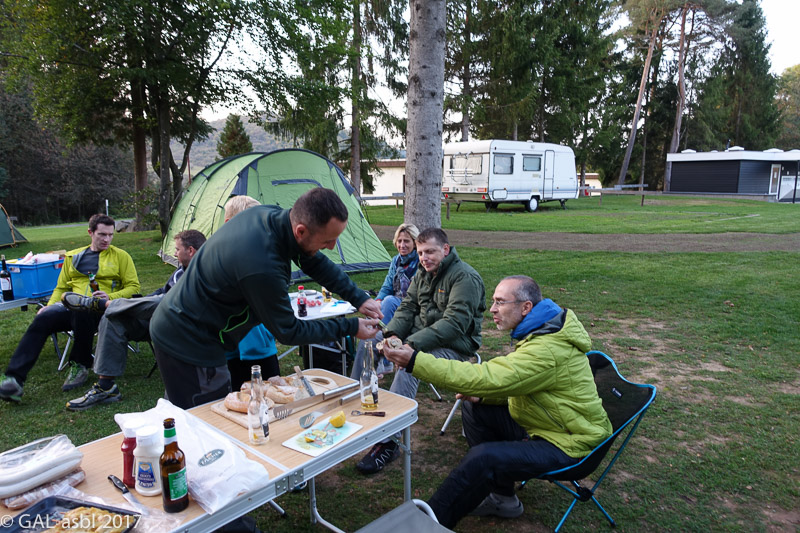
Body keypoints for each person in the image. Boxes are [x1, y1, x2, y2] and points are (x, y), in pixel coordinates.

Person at [381, 275, 613, 528]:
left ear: (526, 307)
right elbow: (529, 384)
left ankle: (424, 527)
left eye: (500, 302)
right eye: (493, 301)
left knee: (484, 458)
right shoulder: (543, 333)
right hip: (554, 425)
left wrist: (415, 361)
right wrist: (483, 397)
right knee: (475, 406)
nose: (492, 309)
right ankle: (503, 498)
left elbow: (484, 377)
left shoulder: (547, 349)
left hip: (572, 443)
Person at [149, 188, 382, 409]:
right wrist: (351, 327)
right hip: (189, 339)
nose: (331, 247)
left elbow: (313, 261)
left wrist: (358, 298)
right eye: (327, 241)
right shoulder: (262, 266)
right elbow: (289, 331)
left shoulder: (272, 217)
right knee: (206, 420)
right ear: (301, 231)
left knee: (186, 413)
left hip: (185, 324)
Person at [352, 227, 485, 474]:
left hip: (454, 345)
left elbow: (454, 325)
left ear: (446, 250)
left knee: (410, 363)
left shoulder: (465, 278)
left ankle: (389, 442)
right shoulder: (422, 274)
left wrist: (410, 344)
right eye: (421, 252)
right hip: (421, 338)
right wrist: (392, 335)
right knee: (370, 340)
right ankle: (353, 401)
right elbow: (407, 308)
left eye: (430, 252)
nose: (424, 258)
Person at [0, 214, 140, 402]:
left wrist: (110, 297)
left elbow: (133, 287)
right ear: (90, 232)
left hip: (103, 310)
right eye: (102, 234)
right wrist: (49, 306)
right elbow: (61, 287)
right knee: (43, 318)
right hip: (71, 308)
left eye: (110, 235)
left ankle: (80, 364)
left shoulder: (121, 257)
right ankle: (14, 379)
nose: (107, 239)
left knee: (83, 309)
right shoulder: (73, 257)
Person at [61, 229, 206, 410]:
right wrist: (138, 304)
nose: (174, 254)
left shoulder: (205, 271)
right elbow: (161, 291)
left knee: (166, 301)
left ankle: (103, 304)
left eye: (177, 249)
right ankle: (106, 387)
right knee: (114, 317)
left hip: (181, 325)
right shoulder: (180, 270)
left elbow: (181, 301)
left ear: (190, 250)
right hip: (157, 321)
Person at [219, 196, 280, 389]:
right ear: (229, 223)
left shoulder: (263, 252)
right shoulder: (217, 255)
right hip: (230, 347)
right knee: (238, 395)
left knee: (271, 392)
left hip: (260, 346)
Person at [375, 223, 420, 323]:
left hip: (412, 304)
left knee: (389, 301)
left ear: (415, 243)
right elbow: (387, 286)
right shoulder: (396, 261)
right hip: (396, 301)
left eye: (406, 241)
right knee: (376, 306)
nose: (402, 245)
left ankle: (379, 330)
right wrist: (378, 301)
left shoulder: (421, 261)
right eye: (399, 241)